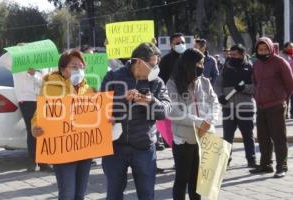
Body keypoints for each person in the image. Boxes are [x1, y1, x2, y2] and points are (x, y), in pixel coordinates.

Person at [101, 42, 171, 200]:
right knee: (113, 194)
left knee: (146, 194)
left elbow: (165, 111)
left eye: (157, 65)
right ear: (139, 62)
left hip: (144, 148)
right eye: (153, 65)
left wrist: (151, 101)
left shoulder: (157, 82)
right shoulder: (113, 76)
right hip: (115, 148)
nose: (156, 69)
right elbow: (101, 108)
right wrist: (123, 100)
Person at [32, 50, 95, 199]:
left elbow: (95, 114)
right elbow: (39, 114)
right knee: (67, 193)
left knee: (80, 194)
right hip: (63, 151)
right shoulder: (51, 86)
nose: (78, 70)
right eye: (74, 66)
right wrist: (35, 127)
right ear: (63, 69)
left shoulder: (88, 88)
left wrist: (106, 121)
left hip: (84, 149)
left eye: (81, 66)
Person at [166, 48, 219, 200]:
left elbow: (214, 102)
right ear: (189, 64)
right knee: (182, 179)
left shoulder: (205, 82)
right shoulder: (172, 84)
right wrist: (198, 122)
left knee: (198, 181)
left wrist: (210, 119)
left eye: (203, 63)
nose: (202, 66)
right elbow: (173, 112)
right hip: (183, 139)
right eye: (199, 63)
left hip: (204, 138)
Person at [250, 37, 293, 178]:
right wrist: (257, 96)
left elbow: (289, 83)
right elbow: (255, 82)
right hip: (261, 106)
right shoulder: (256, 64)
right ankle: (266, 165)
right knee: (263, 138)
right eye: (260, 49)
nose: (263, 52)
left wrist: (282, 99)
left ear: (270, 48)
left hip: (276, 106)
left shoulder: (280, 62)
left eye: (265, 49)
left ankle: (282, 167)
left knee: (278, 138)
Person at [214, 44, 257, 168]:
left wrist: (245, 88)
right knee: (227, 136)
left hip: (245, 107)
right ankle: (226, 160)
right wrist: (220, 96)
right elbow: (218, 84)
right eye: (230, 55)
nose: (232, 57)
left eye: (235, 55)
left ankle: (251, 159)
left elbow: (256, 87)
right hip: (228, 108)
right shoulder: (225, 67)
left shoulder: (250, 68)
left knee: (248, 135)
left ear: (242, 55)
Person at [280, 42, 293, 118]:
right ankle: (285, 113)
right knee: (286, 97)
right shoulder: (281, 55)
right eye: (290, 46)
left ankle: (292, 113)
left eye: (292, 47)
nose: (291, 48)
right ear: (285, 47)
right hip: (285, 79)